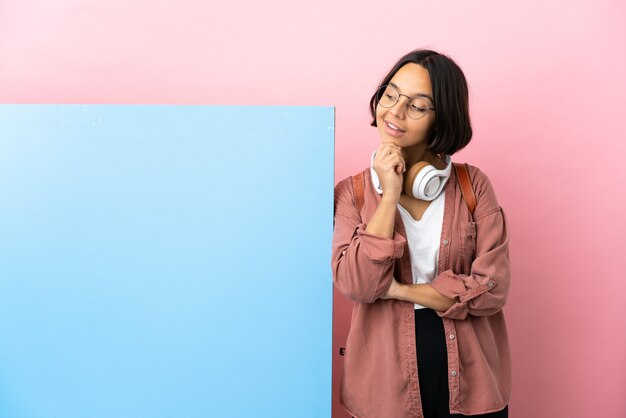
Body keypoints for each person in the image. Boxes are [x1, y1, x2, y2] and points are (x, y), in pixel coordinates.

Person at [331, 49, 511, 418]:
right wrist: (390, 196)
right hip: (385, 384)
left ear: (441, 118)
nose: (395, 112)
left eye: (417, 105)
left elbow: (493, 288)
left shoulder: (472, 185)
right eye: (391, 94)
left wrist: (396, 290)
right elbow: (358, 285)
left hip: (471, 380)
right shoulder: (354, 193)